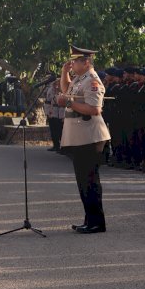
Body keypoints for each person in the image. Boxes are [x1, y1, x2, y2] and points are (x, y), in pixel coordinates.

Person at [56, 45, 111, 234]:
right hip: (80, 137)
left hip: (90, 137)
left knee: (90, 181)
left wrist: (69, 103)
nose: (72, 64)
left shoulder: (92, 81)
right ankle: (89, 219)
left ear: (86, 62)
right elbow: (66, 89)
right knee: (83, 182)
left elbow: (94, 109)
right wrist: (64, 72)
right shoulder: (80, 79)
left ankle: (96, 222)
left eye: (75, 61)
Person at [45, 75, 65, 152]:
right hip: (51, 112)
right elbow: (48, 101)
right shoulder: (50, 89)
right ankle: (56, 145)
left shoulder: (61, 89)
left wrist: (57, 89)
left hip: (59, 113)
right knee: (53, 130)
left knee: (60, 130)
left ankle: (62, 147)